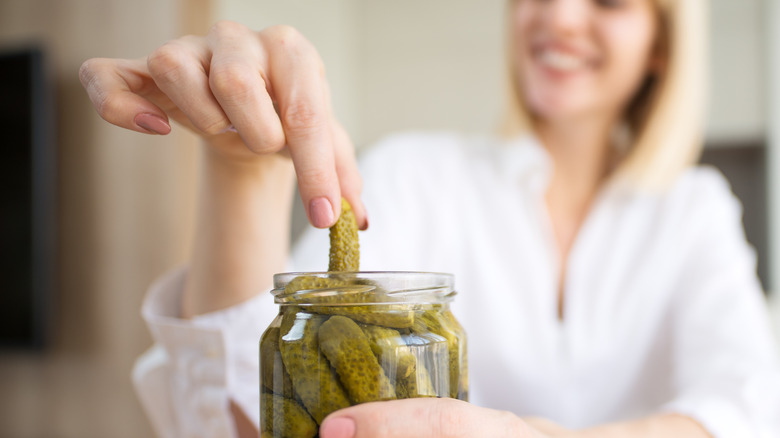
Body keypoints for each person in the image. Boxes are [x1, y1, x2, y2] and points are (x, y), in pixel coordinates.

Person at [79, 0, 780, 437]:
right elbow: (229, 419)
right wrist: (244, 168)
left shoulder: (695, 209)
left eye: (609, 1)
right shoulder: (414, 172)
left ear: (660, 45)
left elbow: (750, 409)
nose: (561, 14)